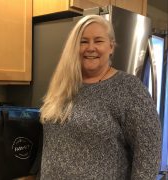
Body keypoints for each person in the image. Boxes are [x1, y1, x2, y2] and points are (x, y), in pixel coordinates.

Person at [37, 15, 162, 179]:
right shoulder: (62, 84)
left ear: (111, 46)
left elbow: (149, 150)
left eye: (98, 41)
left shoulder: (128, 88)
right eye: (83, 41)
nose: (90, 48)